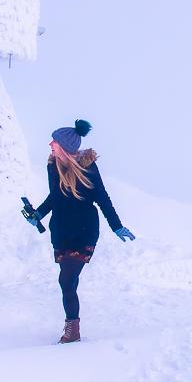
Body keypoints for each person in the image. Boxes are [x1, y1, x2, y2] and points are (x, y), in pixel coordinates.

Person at [26, 119, 136, 344]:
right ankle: (72, 325)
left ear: (64, 146)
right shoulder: (52, 166)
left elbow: (102, 198)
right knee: (69, 281)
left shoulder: (88, 168)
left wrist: (116, 226)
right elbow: (55, 197)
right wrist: (37, 214)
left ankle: (72, 330)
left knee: (66, 280)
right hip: (62, 231)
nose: (50, 144)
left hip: (84, 231)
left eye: (54, 142)